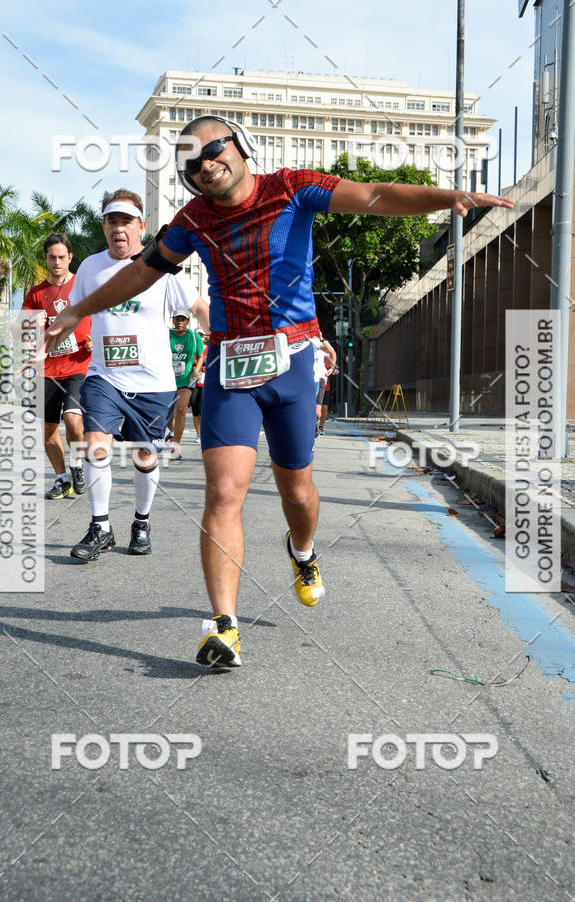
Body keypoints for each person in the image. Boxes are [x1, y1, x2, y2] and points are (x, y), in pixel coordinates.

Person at [45, 116, 515, 665]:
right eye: (189, 163)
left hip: (291, 362)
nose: (203, 165)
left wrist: (444, 196)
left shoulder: (291, 187)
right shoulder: (193, 220)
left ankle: (303, 550)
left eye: (212, 149)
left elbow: (373, 196)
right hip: (228, 366)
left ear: (241, 146)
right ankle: (223, 626)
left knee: (298, 494)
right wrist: (77, 307)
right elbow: (143, 271)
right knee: (223, 494)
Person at [65, 189, 208, 562]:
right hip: (105, 377)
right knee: (95, 442)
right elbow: (75, 314)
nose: (118, 229)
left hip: (154, 383)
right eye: (112, 221)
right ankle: (100, 526)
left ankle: (141, 522)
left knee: (146, 457)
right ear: (104, 226)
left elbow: (199, 308)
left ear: (141, 226)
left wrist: (224, 344)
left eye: (126, 221)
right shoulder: (90, 268)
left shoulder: (164, 268)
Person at [22, 233, 92, 499]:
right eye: (52, 257)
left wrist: (95, 341)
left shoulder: (83, 286)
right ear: (45, 258)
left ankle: (77, 466)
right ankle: (62, 479)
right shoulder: (35, 294)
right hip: (46, 370)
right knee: (48, 428)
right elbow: (27, 332)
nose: (57, 262)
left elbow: (103, 317)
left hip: (79, 366)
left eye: (62, 257)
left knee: (72, 419)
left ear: (70, 257)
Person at [167, 311, 205, 459]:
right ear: (173, 320)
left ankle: (175, 447)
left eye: (183, 319)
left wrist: (195, 370)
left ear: (188, 321)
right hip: (167, 379)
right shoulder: (166, 334)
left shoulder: (194, 337)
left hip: (186, 380)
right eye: (177, 319)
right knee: (166, 416)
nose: (180, 322)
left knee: (181, 408)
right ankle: (172, 430)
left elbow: (201, 356)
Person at [313, 333, 336, 437]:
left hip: (320, 379)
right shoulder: (303, 342)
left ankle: (316, 425)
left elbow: (332, 353)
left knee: (318, 412)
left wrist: (332, 368)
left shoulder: (321, 344)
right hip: (306, 379)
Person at [190, 333, 208, 442]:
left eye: (201, 335)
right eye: (197, 335)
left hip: (205, 384)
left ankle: (204, 433)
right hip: (193, 384)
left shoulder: (209, 350)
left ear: (204, 338)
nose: (199, 338)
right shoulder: (191, 350)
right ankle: (199, 434)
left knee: (202, 411)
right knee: (195, 411)